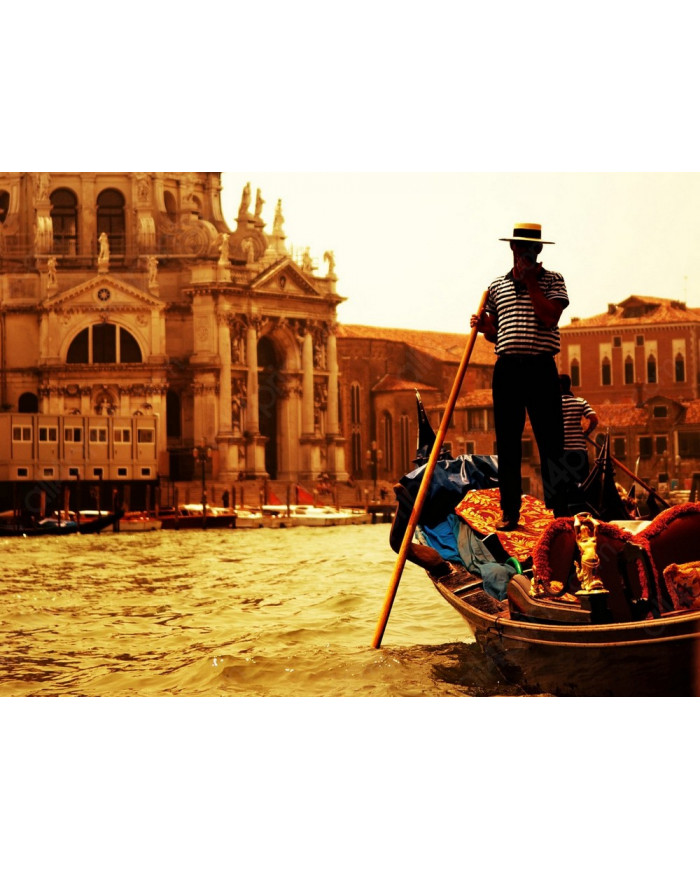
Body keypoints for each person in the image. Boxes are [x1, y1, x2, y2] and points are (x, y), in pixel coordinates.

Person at [471, 222, 569, 531]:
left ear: (539, 250)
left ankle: (561, 513)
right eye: (522, 246)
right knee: (508, 443)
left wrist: (531, 284)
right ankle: (510, 512)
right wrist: (484, 327)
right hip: (508, 370)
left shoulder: (554, 280)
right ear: (513, 248)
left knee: (551, 442)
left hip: (541, 368)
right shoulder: (496, 286)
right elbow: (495, 333)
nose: (528, 252)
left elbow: (549, 317)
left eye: (533, 248)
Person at [559, 373, 598, 510]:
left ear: (559, 386)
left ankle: (565, 513)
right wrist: (586, 433)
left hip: (562, 452)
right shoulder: (580, 402)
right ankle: (583, 511)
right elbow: (594, 419)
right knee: (583, 483)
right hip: (579, 451)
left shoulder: (552, 404)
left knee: (563, 485)